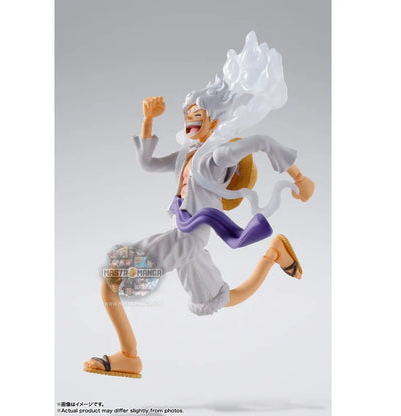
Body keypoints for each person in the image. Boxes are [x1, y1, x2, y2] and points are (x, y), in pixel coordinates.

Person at [84, 32, 314, 378]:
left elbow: (262, 141)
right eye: (187, 115)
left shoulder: (217, 155)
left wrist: (300, 178)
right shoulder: (187, 155)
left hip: (187, 238)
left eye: (198, 114)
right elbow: (148, 163)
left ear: (214, 121)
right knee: (219, 298)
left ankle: (129, 355)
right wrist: (147, 120)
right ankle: (275, 254)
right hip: (185, 235)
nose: (190, 120)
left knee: (112, 279)